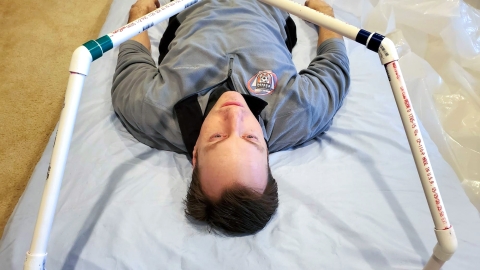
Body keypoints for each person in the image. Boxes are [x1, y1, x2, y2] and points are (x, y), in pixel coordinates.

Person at [111, 0, 350, 235]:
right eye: (250, 137)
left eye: (217, 136)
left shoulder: (148, 108)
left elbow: (133, 51)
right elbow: (335, 62)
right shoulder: (302, 110)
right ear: (266, 154)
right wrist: (323, 13)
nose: (234, 113)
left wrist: (140, 11)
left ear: (195, 154)